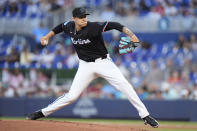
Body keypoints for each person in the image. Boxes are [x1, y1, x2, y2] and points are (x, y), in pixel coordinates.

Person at [27, 7, 159, 128]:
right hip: (85, 66)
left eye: (85, 16)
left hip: (103, 63)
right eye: (81, 17)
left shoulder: (93, 27)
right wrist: (47, 36)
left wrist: (132, 35)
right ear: (74, 19)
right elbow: (59, 28)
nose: (84, 18)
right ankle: (41, 113)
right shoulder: (69, 26)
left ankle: (145, 115)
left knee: (125, 86)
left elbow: (116, 25)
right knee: (72, 96)